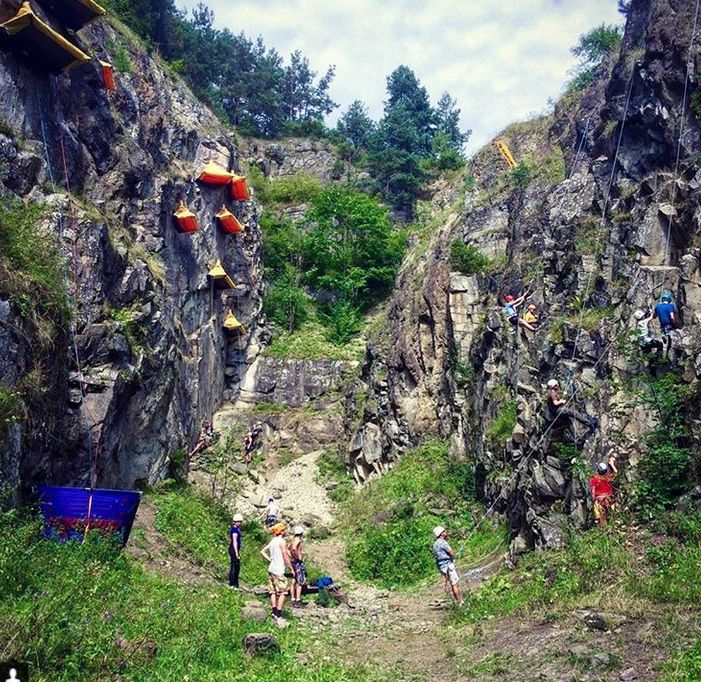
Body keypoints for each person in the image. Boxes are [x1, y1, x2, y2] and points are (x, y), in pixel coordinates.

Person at [260, 523, 294, 626]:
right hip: (279, 570)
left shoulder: (273, 541)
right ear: (282, 531)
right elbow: (285, 555)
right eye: (284, 530)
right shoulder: (282, 542)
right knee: (283, 592)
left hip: (271, 569)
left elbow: (262, 551)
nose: (286, 531)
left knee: (273, 591)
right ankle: (278, 614)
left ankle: (274, 611)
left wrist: (270, 559)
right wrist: (291, 568)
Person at [432, 526, 464, 606]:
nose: (446, 532)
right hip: (448, 566)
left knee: (453, 583)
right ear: (441, 534)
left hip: (442, 567)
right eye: (444, 531)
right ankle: (460, 602)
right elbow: (451, 553)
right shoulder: (443, 542)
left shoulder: (435, 544)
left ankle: (459, 601)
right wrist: (456, 553)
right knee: (455, 584)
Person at [590, 456, 618, 527]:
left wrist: (593, 500)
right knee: (612, 515)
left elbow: (593, 492)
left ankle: (602, 526)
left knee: (600, 515)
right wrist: (611, 464)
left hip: (600, 500)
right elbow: (615, 472)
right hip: (609, 499)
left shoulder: (594, 479)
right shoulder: (607, 477)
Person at [653, 291, 678, 358]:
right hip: (669, 324)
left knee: (665, 333)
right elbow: (672, 317)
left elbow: (654, 316)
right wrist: (675, 323)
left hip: (662, 325)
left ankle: (664, 335)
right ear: (669, 300)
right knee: (671, 340)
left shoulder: (658, 306)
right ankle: (669, 354)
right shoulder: (670, 306)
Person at [289, 525, 307, 609]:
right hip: (297, 562)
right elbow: (293, 548)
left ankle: (293, 599)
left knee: (293, 580)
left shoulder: (292, 540)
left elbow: (287, 549)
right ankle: (298, 600)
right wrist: (298, 557)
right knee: (300, 581)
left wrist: (291, 556)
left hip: (293, 562)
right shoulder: (298, 540)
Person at [228, 513, 244, 589]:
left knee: (236, 566)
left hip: (235, 550)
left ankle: (234, 583)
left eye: (240, 521)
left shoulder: (236, 529)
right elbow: (234, 542)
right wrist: (236, 553)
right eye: (238, 521)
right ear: (235, 521)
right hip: (234, 550)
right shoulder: (234, 530)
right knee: (234, 567)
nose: (240, 523)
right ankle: (232, 584)